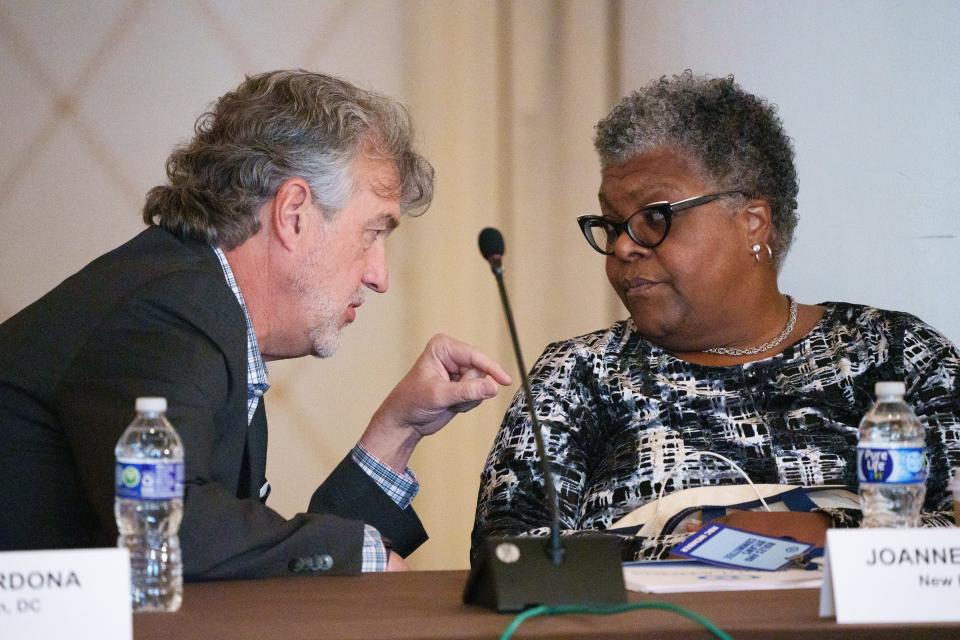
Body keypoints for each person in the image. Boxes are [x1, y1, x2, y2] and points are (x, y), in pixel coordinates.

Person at [0, 70, 511, 579]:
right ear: (293, 214)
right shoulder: (164, 314)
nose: (379, 276)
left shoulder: (207, 310)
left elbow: (249, 567)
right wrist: (361, 553)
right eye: (372, 232)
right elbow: (169, 531)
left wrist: (396, 431)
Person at [471, 71, 960, 561]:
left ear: (753, 222)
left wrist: (812, 529)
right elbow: (510, 556)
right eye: (612, 225)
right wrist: (703, 540)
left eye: (654, 218)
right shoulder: (578, 374)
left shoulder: (895, 354)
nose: (622, 246)